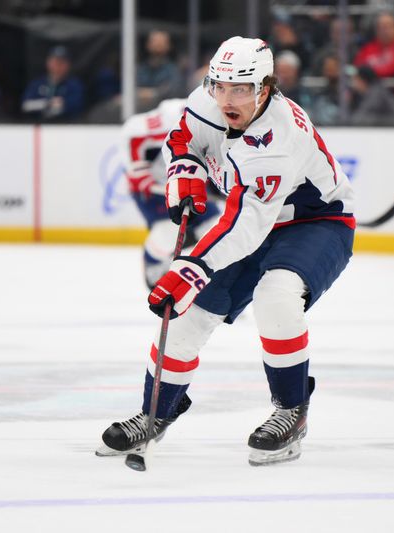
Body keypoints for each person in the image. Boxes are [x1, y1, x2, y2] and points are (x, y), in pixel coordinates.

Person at [98, 37, 355, 466]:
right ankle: (155, 413)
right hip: (252, 221)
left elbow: (246, 225)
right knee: (189, 315)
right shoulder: (208, 98)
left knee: (276, 295)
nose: (227, 99)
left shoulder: (277, 137)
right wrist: (185, 174)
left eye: (241, 90)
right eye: (220, 86)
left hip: (314, 223)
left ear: (266, 88)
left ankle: (291, 410)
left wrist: (193, 267)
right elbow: (182, 139)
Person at [120, 98, 223, 289]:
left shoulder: (210, 123)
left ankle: (215, 280)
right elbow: (132, 138)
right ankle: (154, 262)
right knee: (168, 231)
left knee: (215, 228)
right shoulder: (153, 127)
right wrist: (139, 173)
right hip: (156, 190)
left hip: (192, 184)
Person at [21, 45, 85, 123]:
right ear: (48, 62)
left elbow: (76, 105)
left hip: (66, 126)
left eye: (62, 63)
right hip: (38, 124)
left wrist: (61, 105)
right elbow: (26, 105)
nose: (58, 66)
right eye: (56, 62)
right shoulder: (37, 84)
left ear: (68, 65)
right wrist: (47, 103)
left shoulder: (74, 85)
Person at [354, 11, 394, 78]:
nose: (385, 31)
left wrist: (371, 74)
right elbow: (358, 68)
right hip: (371, 86)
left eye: (388, 26)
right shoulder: (368, 48)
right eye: (381, 27)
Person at [136, 30, 184, 111]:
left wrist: (150, 94)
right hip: (140, 112)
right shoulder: (140, 69)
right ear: (148, 45)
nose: (158, 45)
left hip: (164, 113)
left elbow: (172, 92)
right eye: (155, 42)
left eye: (161, 42)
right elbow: (131, 90)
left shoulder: (173, 71)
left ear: (168, 46)